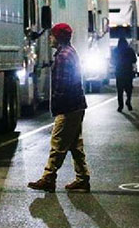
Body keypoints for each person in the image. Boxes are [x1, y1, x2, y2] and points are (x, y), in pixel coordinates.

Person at [28, 23, 90, 193]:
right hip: (76, 105)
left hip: (68, 107)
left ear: (58, 37)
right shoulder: (70, 53)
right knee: (75, 145)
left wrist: (57, 106)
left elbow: (61, 86)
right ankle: (82, 178)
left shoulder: (63, 56)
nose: (50, 38)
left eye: (52, 35)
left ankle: (48, 178)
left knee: (58, 143)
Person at [112, 37, 137, 112]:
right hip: (128, 72)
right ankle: (128, 101)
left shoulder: (115, 50)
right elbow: (134, 60)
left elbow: (112, 61)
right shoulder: (130, 50)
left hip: (119, 72)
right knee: (129, 89)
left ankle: (120, 106)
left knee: (120, 90)